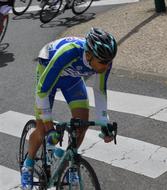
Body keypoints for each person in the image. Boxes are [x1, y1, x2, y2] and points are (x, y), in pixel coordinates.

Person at [21, 27, 118, 190]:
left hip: (71, 79)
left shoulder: (103, 59)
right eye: (103, 62)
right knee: (42, 128)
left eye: (109, 61)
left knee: (82, 124)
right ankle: (28, 165)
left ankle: (70, 163)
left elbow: (100, 90)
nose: (107, 66)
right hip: (48, 72)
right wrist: (47, 121)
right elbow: (42, 91)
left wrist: (103, 121)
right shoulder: (68, 54)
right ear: (89, 55)